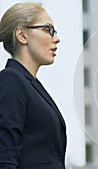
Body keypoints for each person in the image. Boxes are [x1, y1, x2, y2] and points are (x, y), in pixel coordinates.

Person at [0, 3, 66, 169]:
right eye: (47, 29)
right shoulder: (11, 80)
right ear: (22, 35)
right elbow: (5, 156)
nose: (56, 38)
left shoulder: (29, 85)